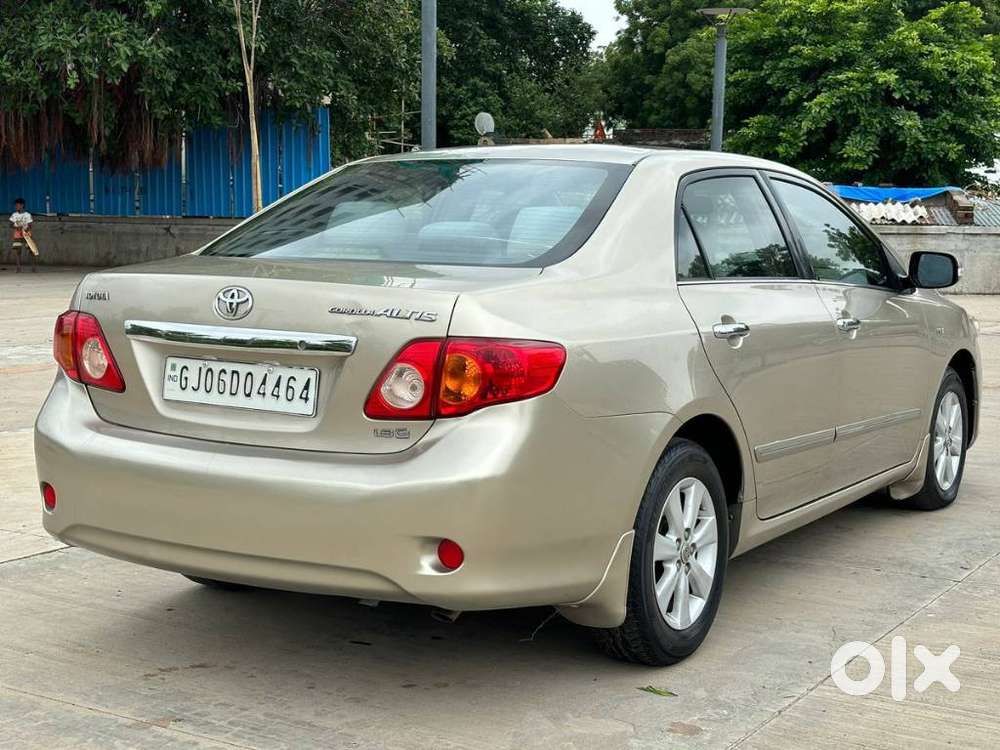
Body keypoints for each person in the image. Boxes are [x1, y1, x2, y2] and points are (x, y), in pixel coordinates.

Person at [9, 198, 36, 273]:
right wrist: (17, 227)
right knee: (18, 251)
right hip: (17, 235)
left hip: (27, 234)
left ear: (22, 205)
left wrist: (25, 229)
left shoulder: (27, 215)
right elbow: (10, 224)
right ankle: (18, 268)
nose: (16, 207)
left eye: (17, 205)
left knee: (31, 250)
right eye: (15, 205)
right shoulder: (14, 215)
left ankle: (33, 267)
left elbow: (30, 225)